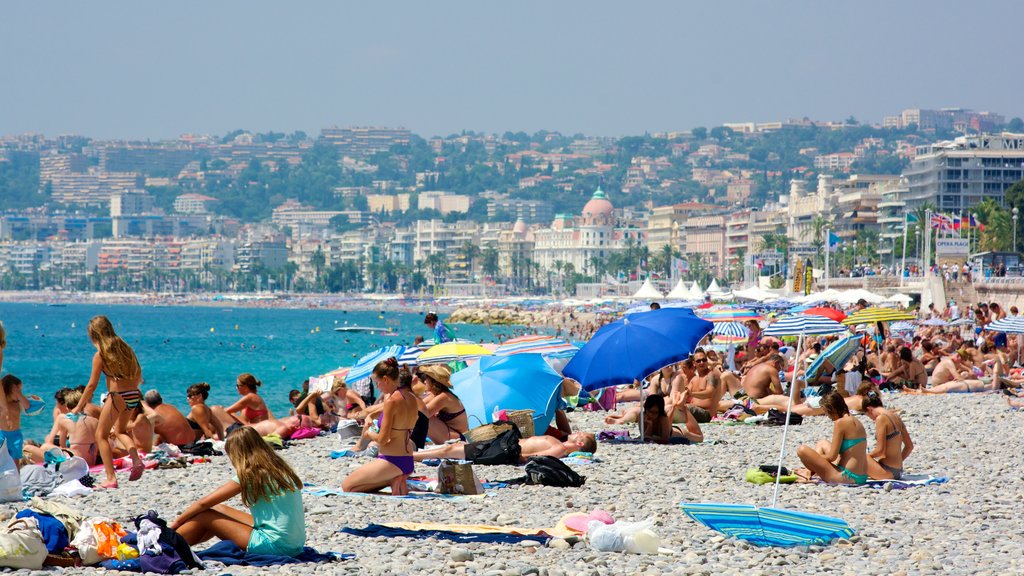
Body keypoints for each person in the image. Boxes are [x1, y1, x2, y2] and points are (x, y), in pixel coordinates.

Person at [170, 427, 305, 556]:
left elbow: (203, 504)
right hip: (295, 545)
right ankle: (179, 545)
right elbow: (211, 504)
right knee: (218, 509)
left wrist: (176, 524)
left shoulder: (251, 473)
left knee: (205, 516)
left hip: (275, 546)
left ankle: (168, 545)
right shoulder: (280, 469)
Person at [70, 315, 145, 488]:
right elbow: (139, 374)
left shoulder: (101, 355)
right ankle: (136, 460)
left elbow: (91, 385)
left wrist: (78, 407)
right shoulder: (126, 348)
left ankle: (111, 478)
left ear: (94, 335)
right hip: (134, 394)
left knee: (100, 435)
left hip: (118, 396)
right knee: (121, 431)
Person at [342, 358, 419, 494]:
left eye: (377, 382)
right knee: (356, 484)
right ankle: (396, 478)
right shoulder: (411, 397)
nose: (377, 386)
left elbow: (383, 439)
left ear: (385, 379)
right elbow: (382, 413)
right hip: (408, 460)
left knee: (347, 487)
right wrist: (370, 417)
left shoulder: (392, 401)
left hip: (391, 460)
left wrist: (368, 434)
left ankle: (392, 480)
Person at [794, 391, 868, 485]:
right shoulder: (855, 420)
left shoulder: (840, 423)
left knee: (802, 450)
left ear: (832, 409)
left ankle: (808, 472)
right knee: (822, 443)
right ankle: (809, 471)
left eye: (826, 412)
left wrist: (813, 459)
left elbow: (831, 457)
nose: (827, 416)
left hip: (846, 476)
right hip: (861, 477)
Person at [414, 431, 598, 464]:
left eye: (581, 434)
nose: (577, 432)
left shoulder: (560, 449)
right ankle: (417, 454)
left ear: (579, 444)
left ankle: (412, 456)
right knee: (457, 447)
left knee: (450, 451)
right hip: (502, 446)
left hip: (501, 451)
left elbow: (531, 457)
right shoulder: (558, 442)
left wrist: (508, 457)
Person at [861, 390, 913, 480]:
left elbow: (880, 450)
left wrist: (867, 456)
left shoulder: (881, 418)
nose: (872, 419)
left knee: (857, 455)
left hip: (887, 471)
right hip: (898, 471)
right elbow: (909, 446)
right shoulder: (896, 417)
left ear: (869, 409)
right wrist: (899, 461)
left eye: (868, 415)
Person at [417, 365, 468, 443]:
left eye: (426, 378)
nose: (424, 381)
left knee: (424, 418)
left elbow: (421, 414)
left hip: (458, 439)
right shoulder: (436, 395)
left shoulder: (444, 397)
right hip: (451, 435)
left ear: (433, 381)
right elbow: (417, 406)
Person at [0, 375, 30, 464]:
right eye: (18, 390)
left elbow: (27, 406)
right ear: (10, 390)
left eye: (20, 391)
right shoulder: (2, 404)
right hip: (2, 434)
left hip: (15, 435)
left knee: (15, 461)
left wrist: (18, 393)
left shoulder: (17, 403)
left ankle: (16, 476)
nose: (20, 393)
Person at [686, 350, 720, 423]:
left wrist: (691, 394)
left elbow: (709, 393)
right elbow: (686, 395)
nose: (702, 363)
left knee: (685, 408)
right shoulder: (694, 379)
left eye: (704, 360)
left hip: (707, 414)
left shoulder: (711, 375)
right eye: (698, 361)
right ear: (694, 363)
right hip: (694, 410)